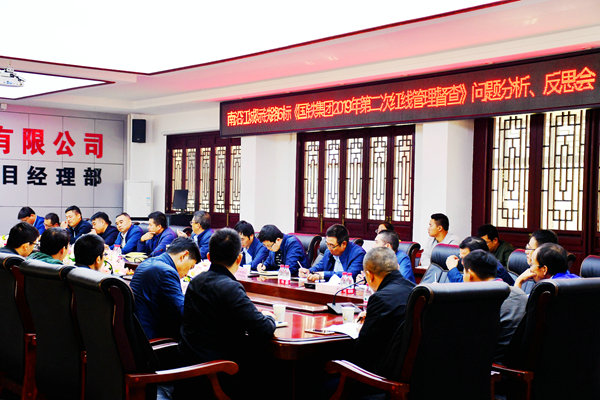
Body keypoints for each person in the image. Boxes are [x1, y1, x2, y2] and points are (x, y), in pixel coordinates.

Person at [178, 228, 276, 398]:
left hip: (189, 371)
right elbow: (263, 329)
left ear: (209, 257)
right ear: (239, 258)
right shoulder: (230, 287)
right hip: (219, 372)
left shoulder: (196, 282)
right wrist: (270, 317)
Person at [354, 247, 415, 376]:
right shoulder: (415, 291)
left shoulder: (379, 299)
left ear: (369, 275)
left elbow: (363, 350)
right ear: (398, 267)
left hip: (381, 377)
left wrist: (362, 328)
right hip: (414, 374)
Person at [462, 249, 527, 364]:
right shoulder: (520, 293)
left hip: (489, 365)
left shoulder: (479, 300)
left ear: (470, 274)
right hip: (518, 361)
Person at [130, 237, 200, 340]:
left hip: (136, 331)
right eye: (190, 267)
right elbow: (183, 312)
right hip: (150, 338)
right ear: (184, 255)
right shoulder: (166, 272)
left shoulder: (149, 262)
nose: (187, 274)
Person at [300, 224, 366, 282]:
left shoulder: (358, 254)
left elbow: (350, 275)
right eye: (327, 244)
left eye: (332, 245)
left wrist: (323, 275)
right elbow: (320, 266)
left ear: (344, 244)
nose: (329, 248)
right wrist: (309, 271)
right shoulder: (328, 251)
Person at [446, 236, 514, 285]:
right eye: (461, 257)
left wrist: (452, 269)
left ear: (479, 255)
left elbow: (464, 288)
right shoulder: (481, 263)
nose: (462, 262)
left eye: (465, 258)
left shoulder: (492, 268)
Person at [515, 242, 579, 289]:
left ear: (544, 269)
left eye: (532, 265)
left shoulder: (546, 289)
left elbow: (518, 303)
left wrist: (518, 282)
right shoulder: (579, 281)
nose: (530, 269)